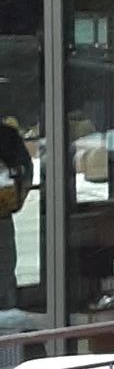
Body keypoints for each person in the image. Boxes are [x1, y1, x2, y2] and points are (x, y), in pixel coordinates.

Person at [0, 116, 34, 312]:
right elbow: (26, 174)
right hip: (3, 218)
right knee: (4, 281)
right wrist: (16, 200)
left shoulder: (7, 136)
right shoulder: (8, 135)